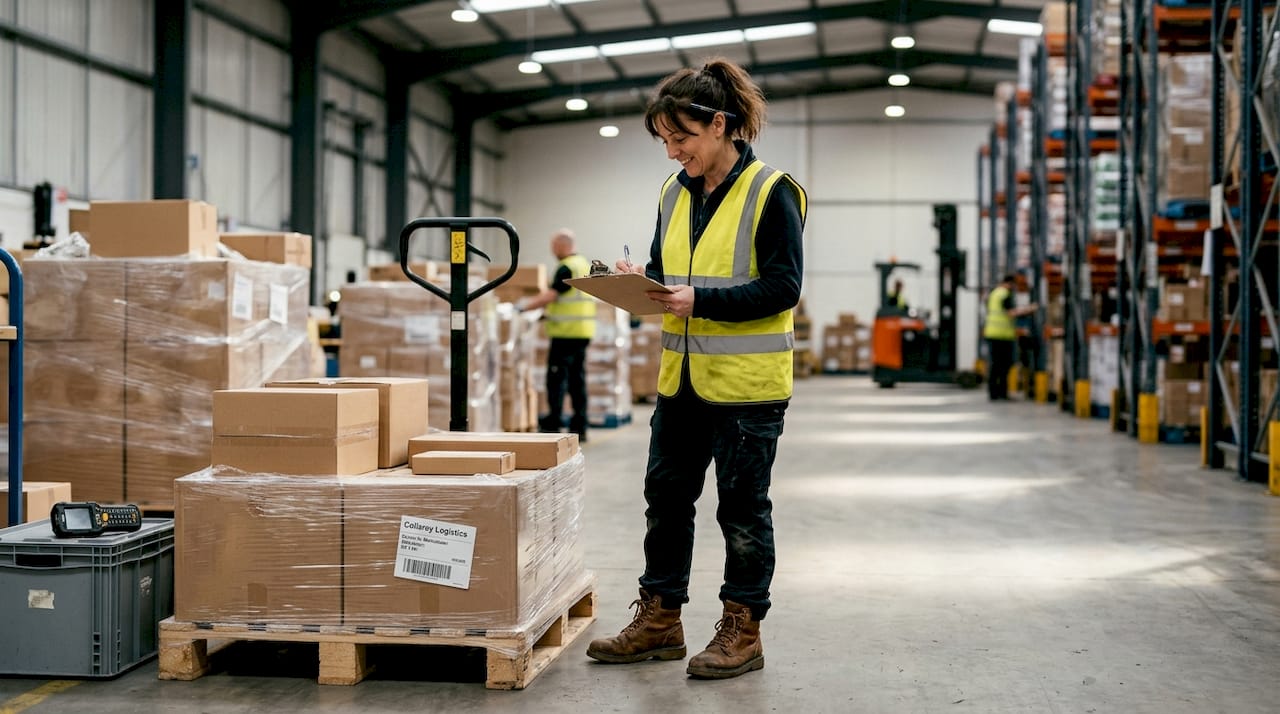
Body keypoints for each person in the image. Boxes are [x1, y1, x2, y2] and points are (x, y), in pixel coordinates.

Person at [585, 57, 806, 680]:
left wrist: (699, 299)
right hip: (680, 382)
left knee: (741, 510)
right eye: (664, 140)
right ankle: (659, 619)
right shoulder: (671, 194)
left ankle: (744, 628)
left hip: (747, 389)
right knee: (666, 500)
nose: (672, 151)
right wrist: (642, 284)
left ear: (719, 125)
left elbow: (783, 288)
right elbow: (669, 271)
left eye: (680, 137)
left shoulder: (772, 192)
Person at [518, 229, 596, 441]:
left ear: (563, 245)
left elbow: (552, 294)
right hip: (583, 332)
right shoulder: (584, 264)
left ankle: (553, 424)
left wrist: (523, 309)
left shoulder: (566, 267)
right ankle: (580, 427)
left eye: (554, 246)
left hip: (565, 334)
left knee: (556, 379)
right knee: (577, 380)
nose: (552, 251)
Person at [984, 273, 1037, 401]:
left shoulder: (995, 293)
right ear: (1010, 283)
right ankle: (1000, 393)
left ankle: (994, 393)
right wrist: (1029, 309)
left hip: (993, 333)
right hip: (1001, 335)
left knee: (996, 365)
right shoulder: (1004, 294)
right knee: (1003, 365)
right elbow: (1010, 312)